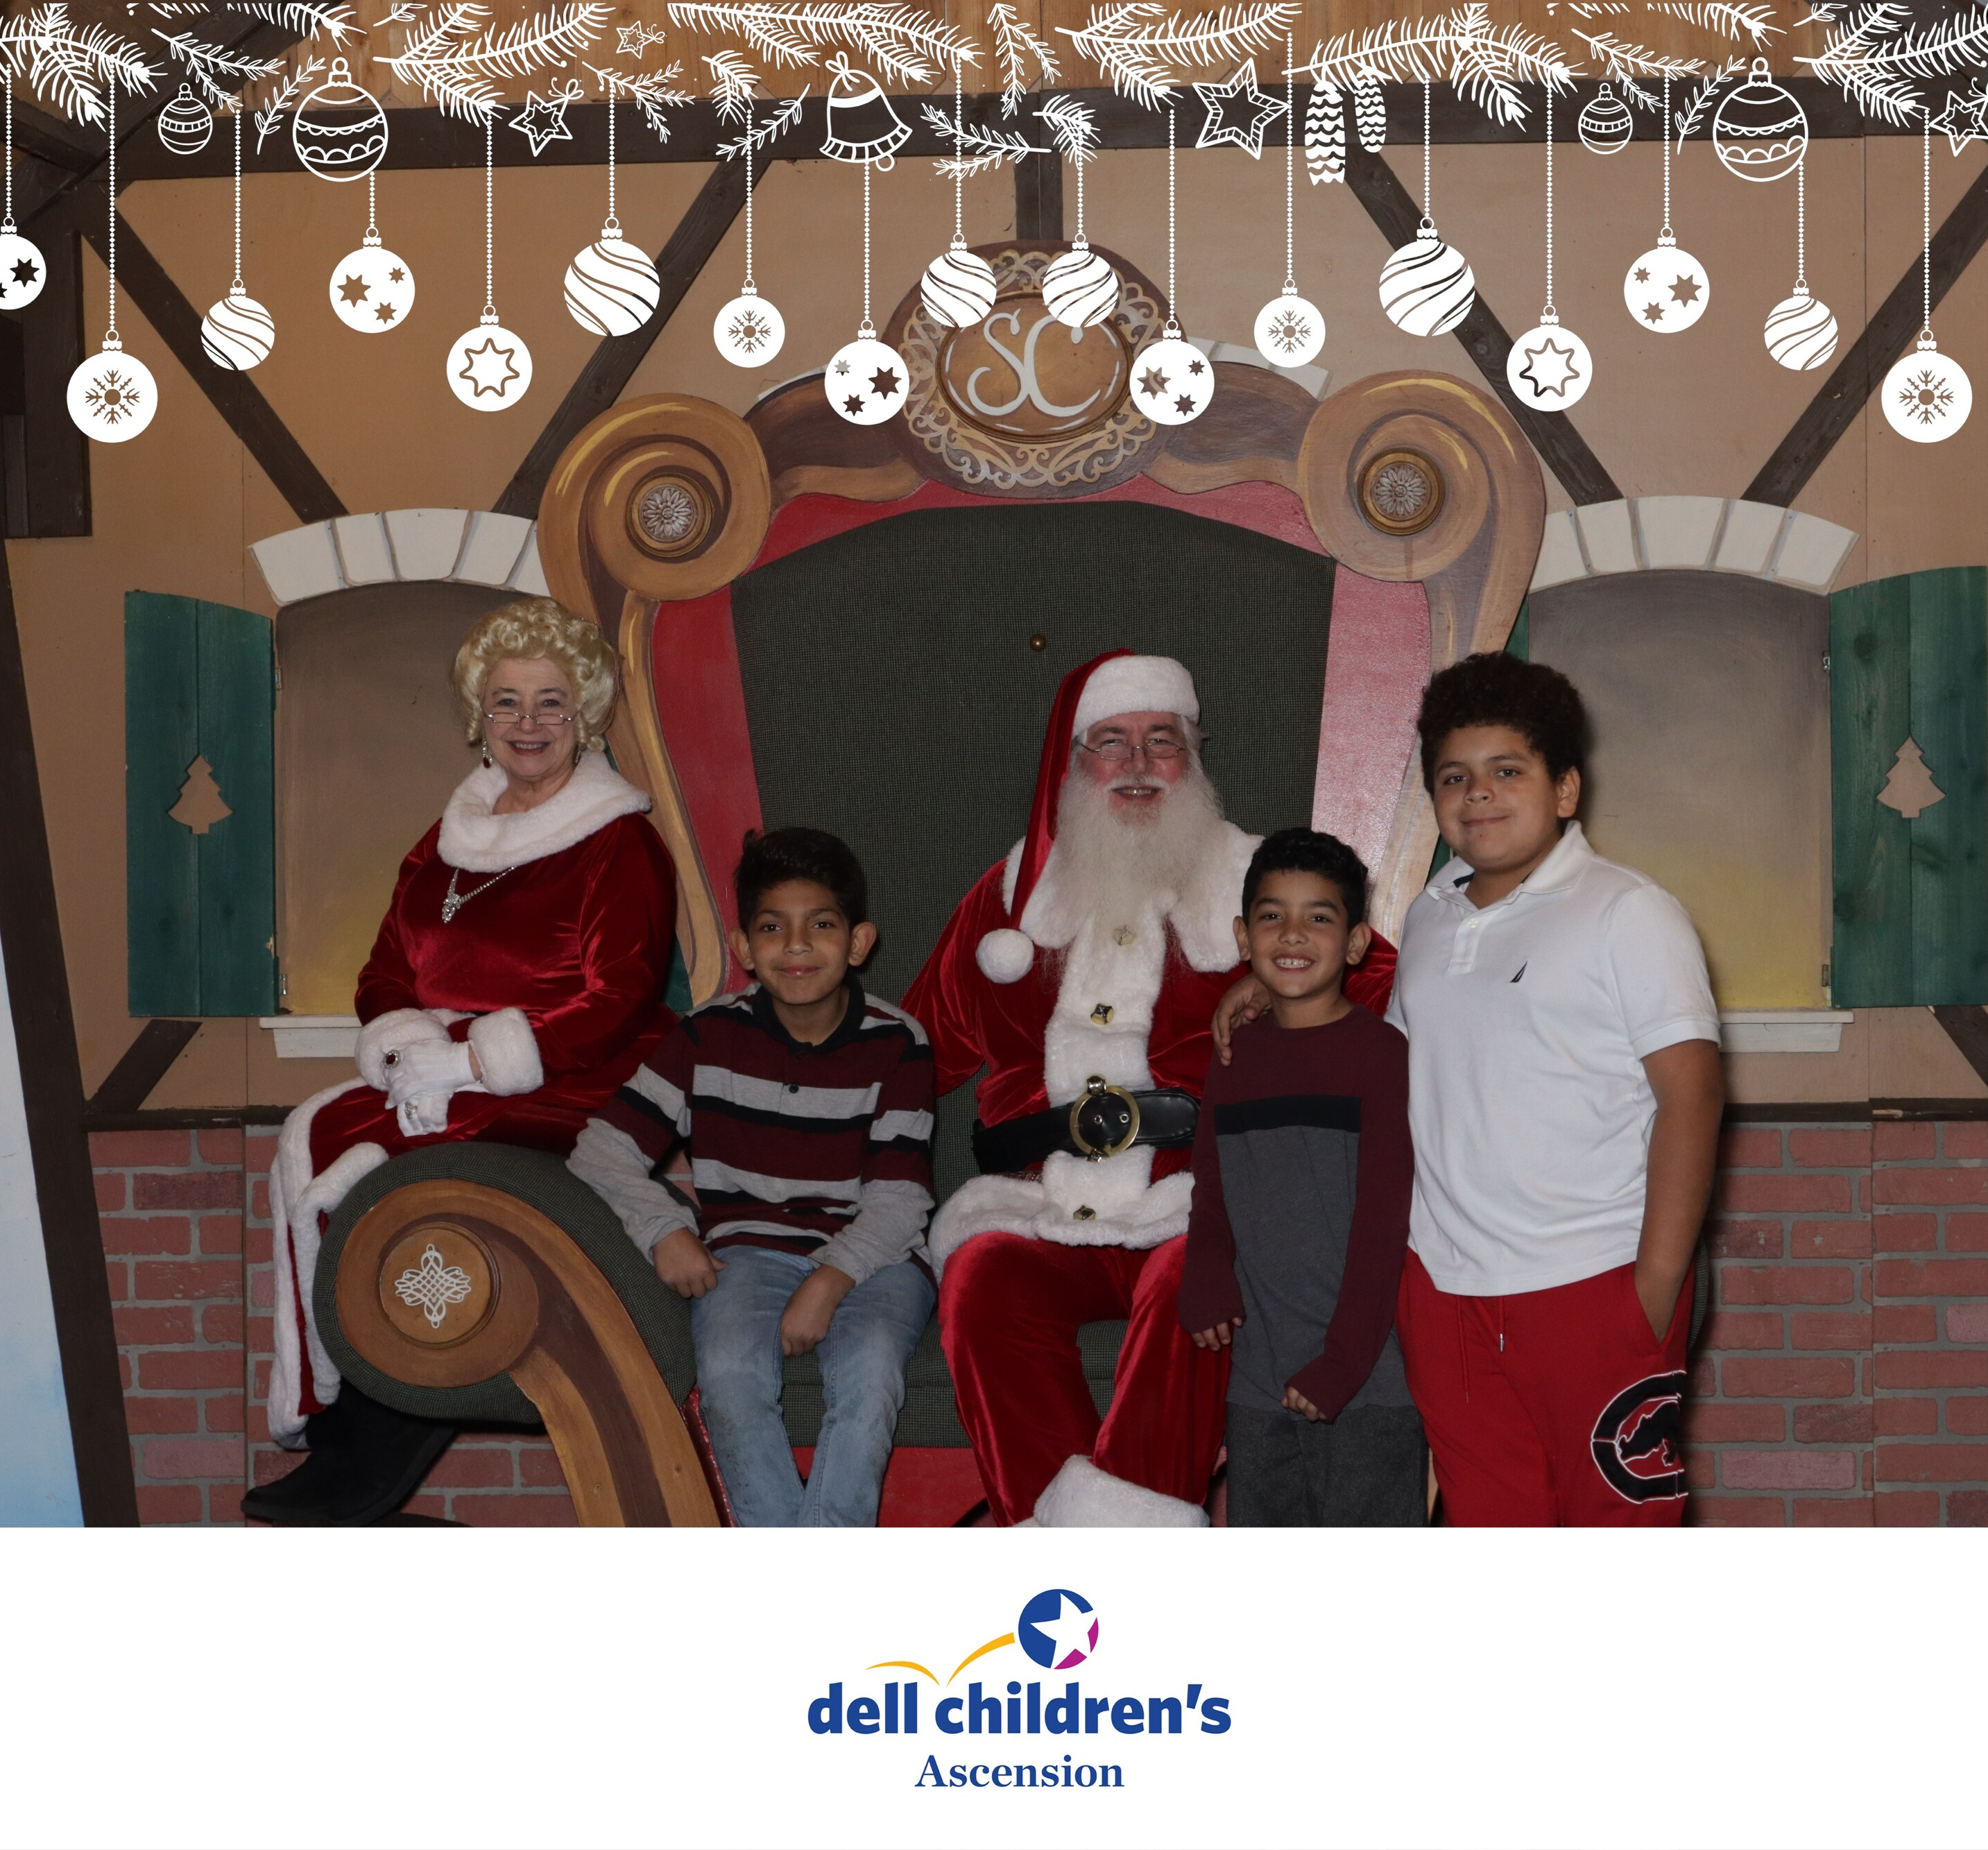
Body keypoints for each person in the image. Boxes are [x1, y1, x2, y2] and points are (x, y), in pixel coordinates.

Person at [905, 651, 1395, 1526]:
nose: (1137, 764)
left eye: (1161, 741)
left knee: (1196, 1284)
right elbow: (909, 1052)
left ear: (1193, 757)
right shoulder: (1012, 896)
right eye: (1111, 742)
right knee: (978, 1277)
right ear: (1073, 764)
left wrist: (1284, 990)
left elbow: (1388, 979)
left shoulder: (1261, 888)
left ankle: (1113, 1562)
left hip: (1197, 1198)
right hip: (1038, 1202)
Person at [248, 599, 680, 1527]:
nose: (528, 722)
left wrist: (474, 1062)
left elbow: (621, 996)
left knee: (399, 1144)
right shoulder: (445, 840)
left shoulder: (620, 839)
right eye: (507, 701)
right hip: (445, 1064)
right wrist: (410, 1047)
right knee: (316, 1130)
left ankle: (391, 1402)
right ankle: (334, 1396)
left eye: (551, 702)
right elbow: (383, 970)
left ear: (584, 713)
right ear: (479, 716)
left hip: (569, 1076)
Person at [1386, 653, 1722, 1525]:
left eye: (1507, 771)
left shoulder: (1628, 911)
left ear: (1565, 789)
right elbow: (1392, 1064)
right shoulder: (1428, 914)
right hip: (1444, 1291)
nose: (1478, 794)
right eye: (1454, 777)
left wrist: (1654, 1286)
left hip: (1593, 1280)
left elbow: (1691, 1097)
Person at [567, 828, 937, 1526]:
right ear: (743, 948)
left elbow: (900, 1203)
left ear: (858, 943)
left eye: (820, 925)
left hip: (879, 1258)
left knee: (869, 1373)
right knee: (730, 1374)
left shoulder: (898, 1042)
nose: (796, 946)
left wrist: (827, 1283)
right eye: (773, 928)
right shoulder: (706, 1036)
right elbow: (600, 1151)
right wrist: (665, 1230)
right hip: (747, 1253)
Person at [1180, 829, 1422, 1527]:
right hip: (1259, 1378)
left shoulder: (1383, 1056)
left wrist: (1343, 1362)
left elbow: (1383, 1228)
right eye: (1271, 915)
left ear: (1355, 942)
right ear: (1242, 936)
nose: (1292, 933)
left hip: (1367, 1380)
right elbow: (1212, 1186)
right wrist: (1205, 1272)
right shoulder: (1233, 1054)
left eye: (1319, 916)